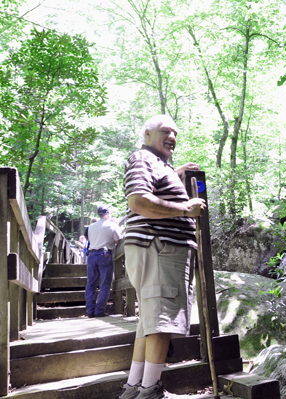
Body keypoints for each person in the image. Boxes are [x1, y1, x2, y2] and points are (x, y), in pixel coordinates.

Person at [119, 114, 205, 399]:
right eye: (165, 131)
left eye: (175, 133)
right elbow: (138, 201)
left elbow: (152, 187)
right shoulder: (144, 159)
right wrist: (185, 209)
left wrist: (174, 173)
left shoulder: (156, 163)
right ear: (147, 135)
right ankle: (150, 391)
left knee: (149, 322)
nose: (172, 137)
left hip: (156, 248)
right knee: (161, 322)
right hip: (160, 248)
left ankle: (134, 388)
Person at [85, 205, 123, 318]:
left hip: (91, 255)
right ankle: (99, 311)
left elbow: (89, 239)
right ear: (108, 213)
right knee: (105, 284)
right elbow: (118, 241)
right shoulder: (112, 225)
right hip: (105, 255)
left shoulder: (90, 227)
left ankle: (90, 311)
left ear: (98, 214)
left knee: (91, 284)